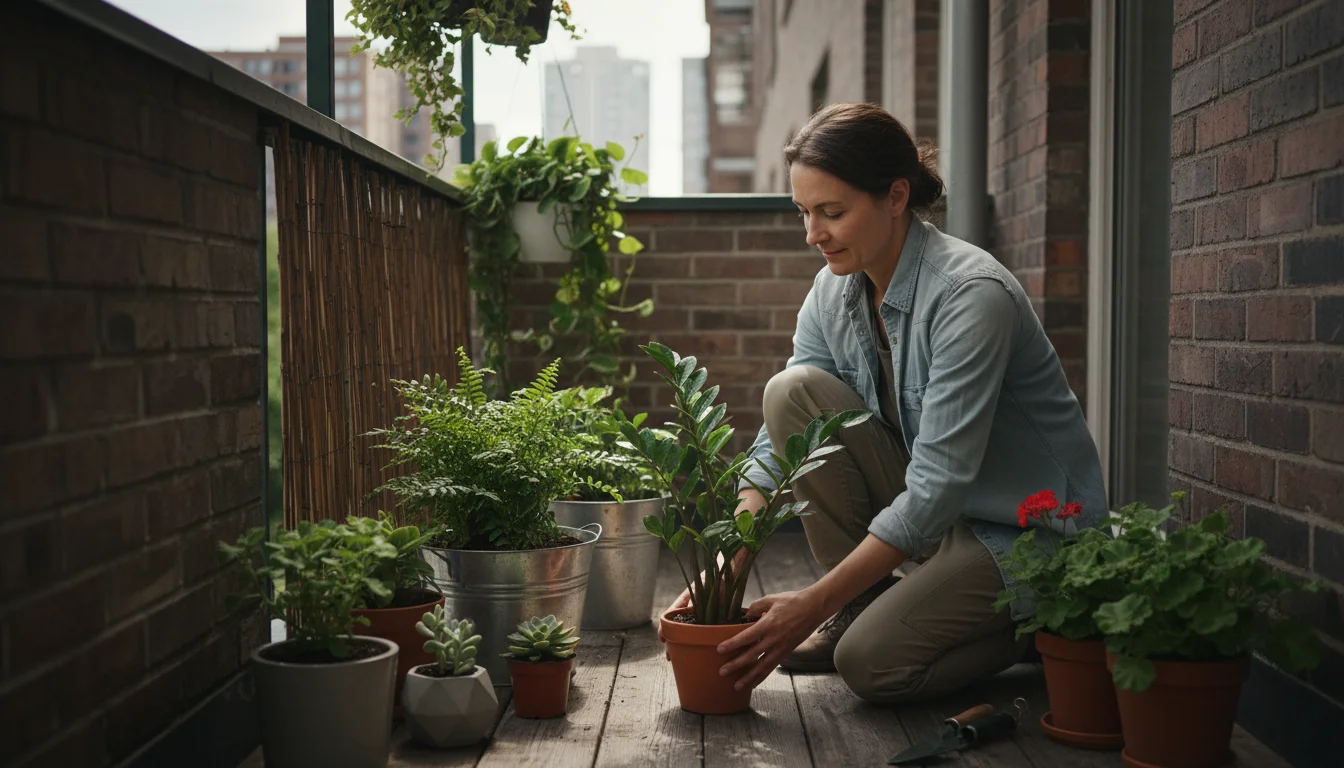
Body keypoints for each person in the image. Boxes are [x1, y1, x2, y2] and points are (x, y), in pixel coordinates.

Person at [660, 102, 1107, 704]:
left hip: (1020, 530)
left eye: (832, 213)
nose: (812, 234)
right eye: (804, 212)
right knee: (790, 393)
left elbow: (936, 486)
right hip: (940, 522)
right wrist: (731, 558)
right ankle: (870, 604)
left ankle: (1035, 627)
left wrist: (812, 603)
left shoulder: (970, 296)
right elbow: (781, 441)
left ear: (896, 197)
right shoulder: (833, 289)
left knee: (871, 666)